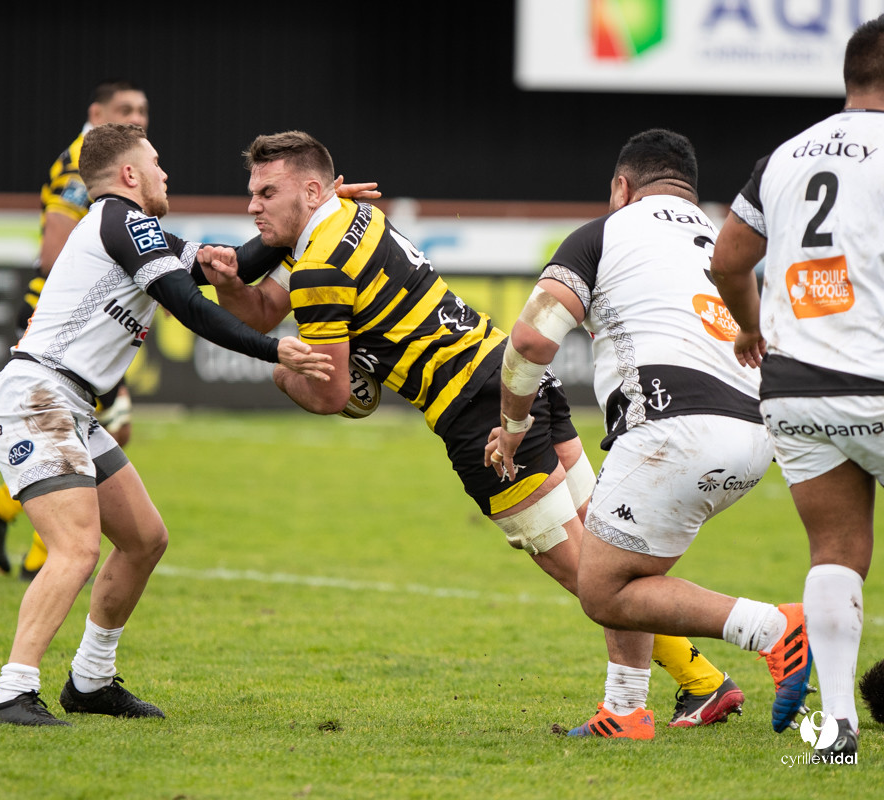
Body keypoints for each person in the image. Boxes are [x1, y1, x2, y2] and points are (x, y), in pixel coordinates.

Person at [197, 130, 745, 730]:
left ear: (309, 188)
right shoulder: (352, 215)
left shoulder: (321, 264)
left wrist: (284, 371)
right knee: (611, 547)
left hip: (474, 410)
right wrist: (231, 286)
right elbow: (266, 308)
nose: (252, 207)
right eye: (251, 193)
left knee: (592, 573)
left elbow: (332, 395)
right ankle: (700, 684)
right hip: (511, 371)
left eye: (265, 193)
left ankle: (754, 635)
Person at [0, 122, 334, 725]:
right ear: (129, 175)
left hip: (72, 402)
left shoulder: (134, 231)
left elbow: (238, 264)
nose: (166, 173)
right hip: (36, 395)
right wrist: (275, 349)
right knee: (76, 548)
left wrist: (319, 207)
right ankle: (12, 691)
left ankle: (90, 681)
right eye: (157, 162)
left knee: (144, 539)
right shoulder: (122, 221)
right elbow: (189, 307)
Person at [489, 128, 812, 740]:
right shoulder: (720, 239)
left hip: (673, 428)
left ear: (621, 186)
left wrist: (512, 426)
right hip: (754, 435)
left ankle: (774, 628)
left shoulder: (606, 231)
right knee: (626, 573)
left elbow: (530, 341)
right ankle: (628, 709)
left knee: (602, 590)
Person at [709, 16, 884, 763]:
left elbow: (727, 260)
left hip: (796, 387)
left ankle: (838, 728)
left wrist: (749, 328)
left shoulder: (782, 156)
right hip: (876, 374)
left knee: (835, 550)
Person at [0, 80, 149, 581]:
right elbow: (53, 249)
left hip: (94, 325)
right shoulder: (81, 162)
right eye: (125, 108)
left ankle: (4, 515)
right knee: (103, 428)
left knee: (110, 429)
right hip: (69, 332)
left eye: (142, 110)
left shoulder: (116, 161)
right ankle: (42, 552)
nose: (137, 117)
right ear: (96, 112)